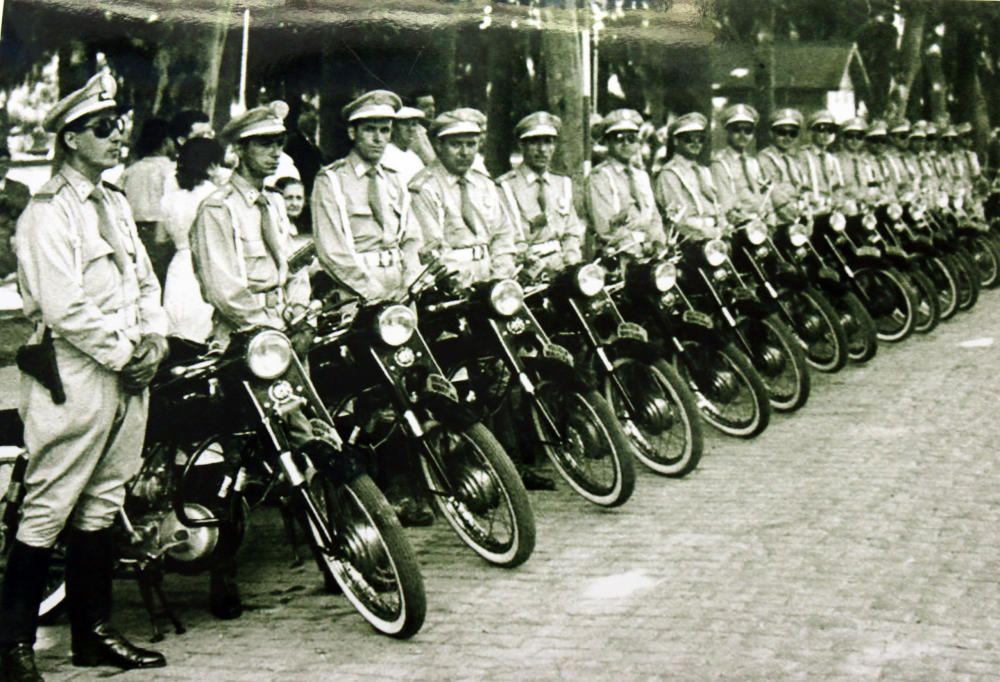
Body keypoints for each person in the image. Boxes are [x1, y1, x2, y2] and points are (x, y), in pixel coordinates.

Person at [0, 70, 169, 681]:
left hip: (127, 364)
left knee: (103, 500)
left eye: (118, 126)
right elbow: (67, 307)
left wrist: (155, 336)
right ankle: (13, 647)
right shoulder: (48, 213)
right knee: (48, 504)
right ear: (70, 139)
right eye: (103, 129)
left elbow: (145, 281)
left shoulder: (117, 204)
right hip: (76, 370)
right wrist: (128, 353)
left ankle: (92, 633)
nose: (116, 137)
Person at [313, 89, 422, 304]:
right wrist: (373, 292)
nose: (378, 139)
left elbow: (411, 238)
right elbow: (332, 252)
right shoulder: (332, 181)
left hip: (399, 287)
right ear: (353, 133)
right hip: (355, 289)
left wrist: (410, 279)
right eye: (369, 130)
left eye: (385, 130)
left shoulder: (395, 179)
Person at [409, 108, 517, 286]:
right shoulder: (425, 187)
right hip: (449, 283)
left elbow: (502, 234)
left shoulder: (484, 184)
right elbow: (433, 247)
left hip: (490, 278)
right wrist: (463, 284)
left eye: (471, 144)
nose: (464, 152)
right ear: (439, 145)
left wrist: (500, 277)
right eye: (456, 144)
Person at [160, 137, 226, 343]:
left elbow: (161, 238)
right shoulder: (217, 197)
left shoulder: (170, 199)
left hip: (178, 266)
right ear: (212, 165)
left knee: (178, 331)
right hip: (207, 266)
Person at [585, 109, 666, 256]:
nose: (625, 144)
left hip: (649, 252)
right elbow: (605, 227)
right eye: (619, 138)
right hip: (617, 254)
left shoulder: (641, 176)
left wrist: (657, 243)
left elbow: (654, 217)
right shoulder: (600, 177)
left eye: (631, 138)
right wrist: (638, 246)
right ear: (608, 142)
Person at [121, 117, 176, 284]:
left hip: (134, 233)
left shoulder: (130, 172)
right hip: (164, 234)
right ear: (166, 142)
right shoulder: (172, 170)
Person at [654, 112, 725, 240]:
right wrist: (705, 233)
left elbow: (717, 205)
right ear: (676, 140)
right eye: (689, 139)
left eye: (700, 139)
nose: (696, 143)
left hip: (714, 236)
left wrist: (723, 226)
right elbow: (677, 219)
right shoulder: (669, 174)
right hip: (689, 239)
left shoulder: (704, 171)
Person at [711, 103, 772, 226]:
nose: (743, 135)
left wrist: (770, 216)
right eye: (737, 129)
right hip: (739, 225)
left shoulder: (753, 162)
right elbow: (726, 205)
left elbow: (764, 194)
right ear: (727, 132)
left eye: (748, 130)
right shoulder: (720, 164)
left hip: (761, 225)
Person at [757, 108, 809, 223]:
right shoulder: (765, 158)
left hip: (798, 213)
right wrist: (790, 210)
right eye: (782, 132)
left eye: (792, 133)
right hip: (779, 216)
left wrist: (805, 208)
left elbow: (802, 186)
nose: (787, 137)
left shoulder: (794, 159)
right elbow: (772, 190)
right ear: (772, 133)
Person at [797, 109, 846, 210]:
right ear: (812, 132)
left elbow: (838, 187)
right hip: (811, 209)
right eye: (821, 129)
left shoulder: (832, 159)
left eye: (831, 130)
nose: (826, 134)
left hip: (831, 209)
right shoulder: (803, 156)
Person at [0, 136, 31, 279]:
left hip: (15, 234)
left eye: (5, 163)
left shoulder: (19, 188)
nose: (2, 167)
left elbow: (29, 214)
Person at [383, 106, 428, 185]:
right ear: (393, 128)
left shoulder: (414, 157)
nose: (410, 129)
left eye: (414, 124)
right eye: (405, 124)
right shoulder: (385, 153)